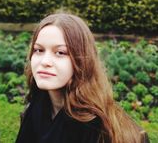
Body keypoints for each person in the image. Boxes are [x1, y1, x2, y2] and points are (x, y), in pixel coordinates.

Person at [15, 13, 150, 143]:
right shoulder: (37, 107)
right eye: (39, 50)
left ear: (82, 60)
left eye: (60, 52)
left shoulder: (97, 129)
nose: (45, 61)